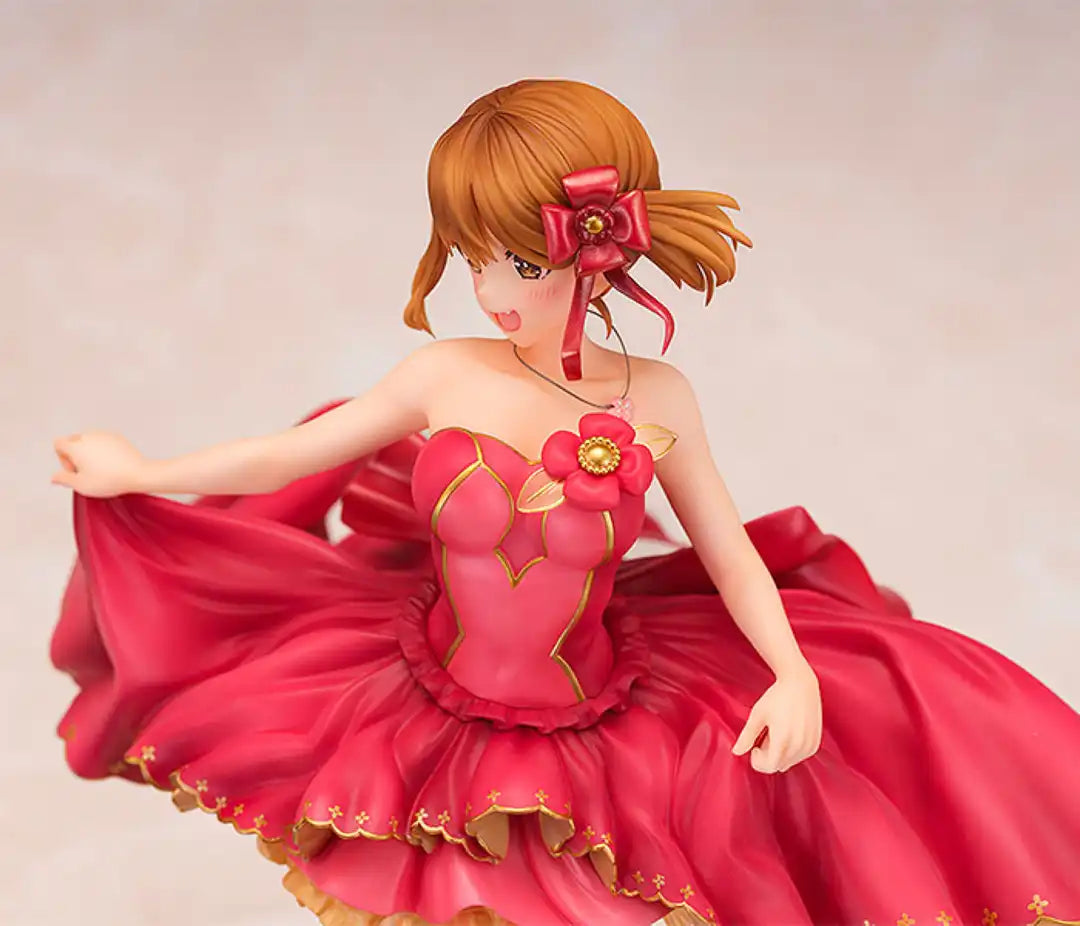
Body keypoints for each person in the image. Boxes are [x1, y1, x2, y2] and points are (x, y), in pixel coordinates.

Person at [49, 79, 1080, 926]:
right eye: (471, 257)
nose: (492, 291)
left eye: (520, 262)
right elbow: (286, 457)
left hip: (603, 730)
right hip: (422, 716)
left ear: (601, 251)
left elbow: (730, 554)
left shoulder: (656, 397)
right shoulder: (445, 373)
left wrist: (794, 672)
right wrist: (140, 472)